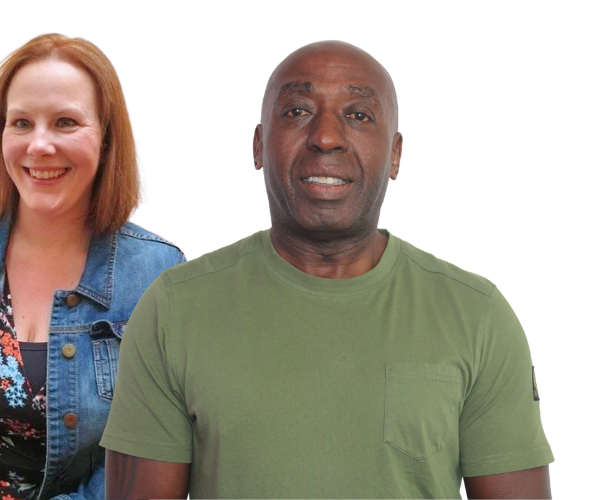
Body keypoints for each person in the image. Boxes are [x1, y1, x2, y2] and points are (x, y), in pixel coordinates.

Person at [101, 41, 554, 499]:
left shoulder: (477, 316)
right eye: (297, 111)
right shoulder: (175, 308)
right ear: (259, 145)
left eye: (358, 115)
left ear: (395, 155)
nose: (326, 136)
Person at [0, 34, 184, 500]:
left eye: (65, 122)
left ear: (108, 136)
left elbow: (140, 464)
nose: (40, 145)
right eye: (22, 123)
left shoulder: (156, 274)